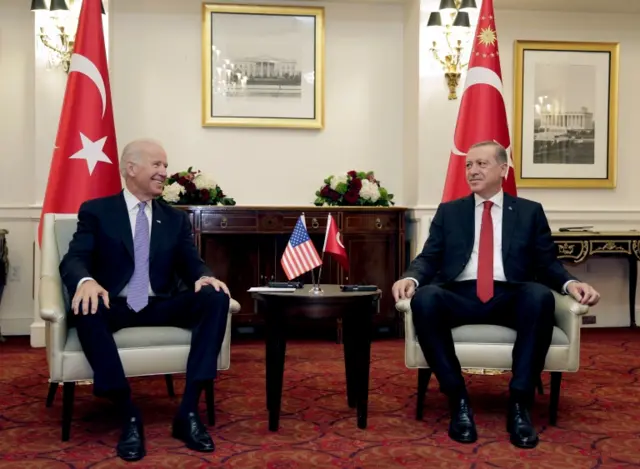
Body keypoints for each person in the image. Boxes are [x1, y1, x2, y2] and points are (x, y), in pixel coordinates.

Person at [392, 140, 600, 449]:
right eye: (468, 165)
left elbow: (547, 264)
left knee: (539, 296)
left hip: (509, 294)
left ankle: (519, 403)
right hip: (461, 293)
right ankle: (458, 399)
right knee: (426, 298)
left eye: (481, 164)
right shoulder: (450, 211)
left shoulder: (530, 212)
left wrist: (572, 285)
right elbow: (429, 257)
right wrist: (411, 277)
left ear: (503, 169)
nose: (472, 171)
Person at [59, 139, 231, 462]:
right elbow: (74, 258)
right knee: (86, 308)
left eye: (165, 165)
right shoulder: (97, 211)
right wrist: (86, 281)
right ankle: (128, 413)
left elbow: (190, 261)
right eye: (156, 165)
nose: (164, 172)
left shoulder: (175, 219)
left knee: (215, 297)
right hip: (116, 304)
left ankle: (188, 411)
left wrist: (203, 275)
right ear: (130, 168)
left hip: (160, 303)